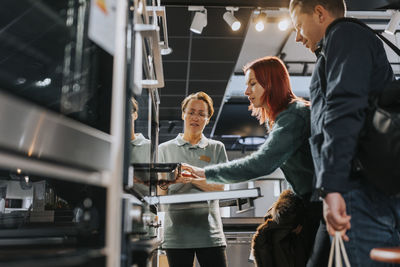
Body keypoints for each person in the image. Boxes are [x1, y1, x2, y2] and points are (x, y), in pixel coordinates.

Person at [181, 56, 329, 266]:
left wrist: (204, 172)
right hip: (313, 205)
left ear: (271, 83)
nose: (247, 91)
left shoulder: (293, 116)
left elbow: (261, 163)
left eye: (253, 84)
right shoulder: (286, 116)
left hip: (322, 206)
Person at [289, 0, 400, 266]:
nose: (296, 37)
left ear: (319, 13)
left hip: (359, 191)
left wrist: (333, 186)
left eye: (298, 26)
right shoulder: (337, 47)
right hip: (358, 187)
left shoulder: (344, 34)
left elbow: (344, 108)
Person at [158, 91, 228, 267]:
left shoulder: (216, 148)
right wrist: (167, 183)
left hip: (210, 234)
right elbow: (160, 195)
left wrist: (191, 177)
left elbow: (220, 189)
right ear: (183, 114)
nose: (195, 117)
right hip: (176, 235)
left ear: (208, 119)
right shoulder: (163, 149)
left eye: (201, 114)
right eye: (191, 112)